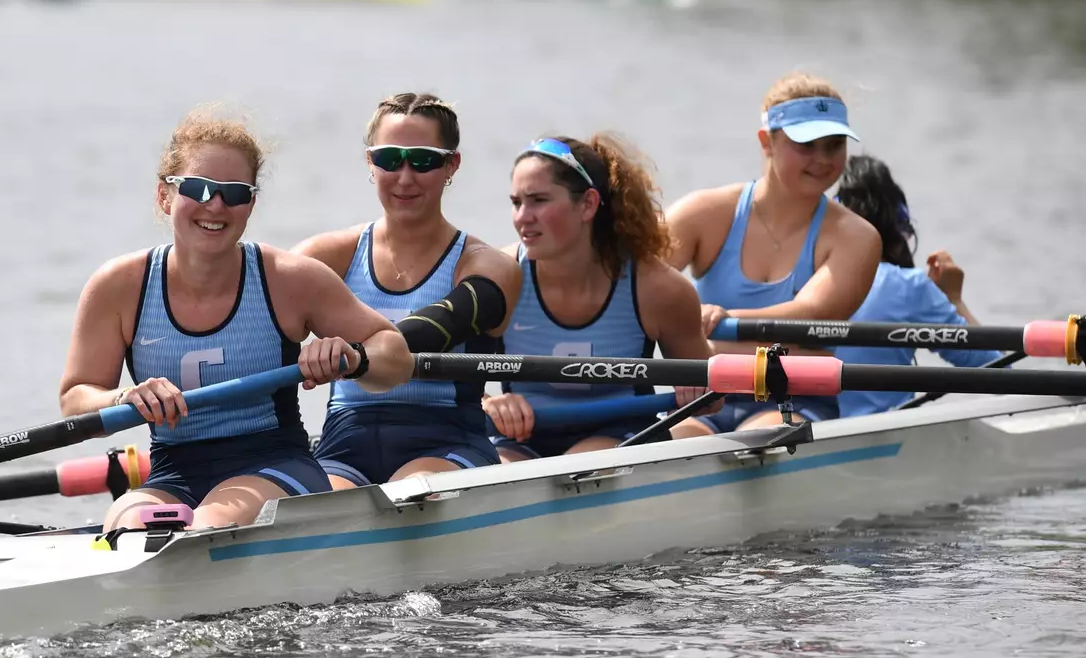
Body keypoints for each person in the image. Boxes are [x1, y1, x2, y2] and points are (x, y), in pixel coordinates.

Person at [59, 110, 412, 533]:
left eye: (234, 193)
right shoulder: (118, 287)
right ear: (164, 196)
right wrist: (123, 398)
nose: (215, 205)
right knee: (129, 523)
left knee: (209, 523)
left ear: (250, 205)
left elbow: (395, 354)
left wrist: (352, 357)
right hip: (172, 472)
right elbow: (75, 400)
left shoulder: (289, 279)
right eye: (198, 188)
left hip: (276, 466)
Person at [295, 93, 521, 488]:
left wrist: (357, 355)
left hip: (448, 442)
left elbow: (441, 326)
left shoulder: (488, 265)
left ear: (452, 165)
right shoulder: (325, 256)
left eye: (423, 160)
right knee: (324, 505)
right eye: (388, 159)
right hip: (344, 444)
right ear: (370, 161)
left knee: (407, 493)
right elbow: (251, 316)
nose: (404, 177)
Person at [665, 72, 881, 435]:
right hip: (707, 394)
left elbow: (811, 314)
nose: (823, 159)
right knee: (677, 439)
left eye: (834, 145)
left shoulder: (856, 237)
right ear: (766, 141)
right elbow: (633, 285)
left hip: (795, 396)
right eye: (806, 145)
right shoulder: (702, 214)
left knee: (763, 437)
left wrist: (712, 323)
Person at [484, 136, 713, 459]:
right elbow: (451, 389)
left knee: (580, 466)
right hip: (523, 438)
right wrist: (488, 403)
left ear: (588, 204)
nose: (522, 217)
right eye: (516, 202)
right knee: (501, 478)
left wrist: (699, 389)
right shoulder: (498, 278)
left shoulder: (658, 289)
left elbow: (714, 398)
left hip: (623, 434)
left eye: (538, 200)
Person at [830, 155, 1002, 416]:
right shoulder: (910, 287)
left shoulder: (803, 278)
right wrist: (954, 300)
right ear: (899, 226)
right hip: (883, 439)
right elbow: (996, 371)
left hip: (811, 434)